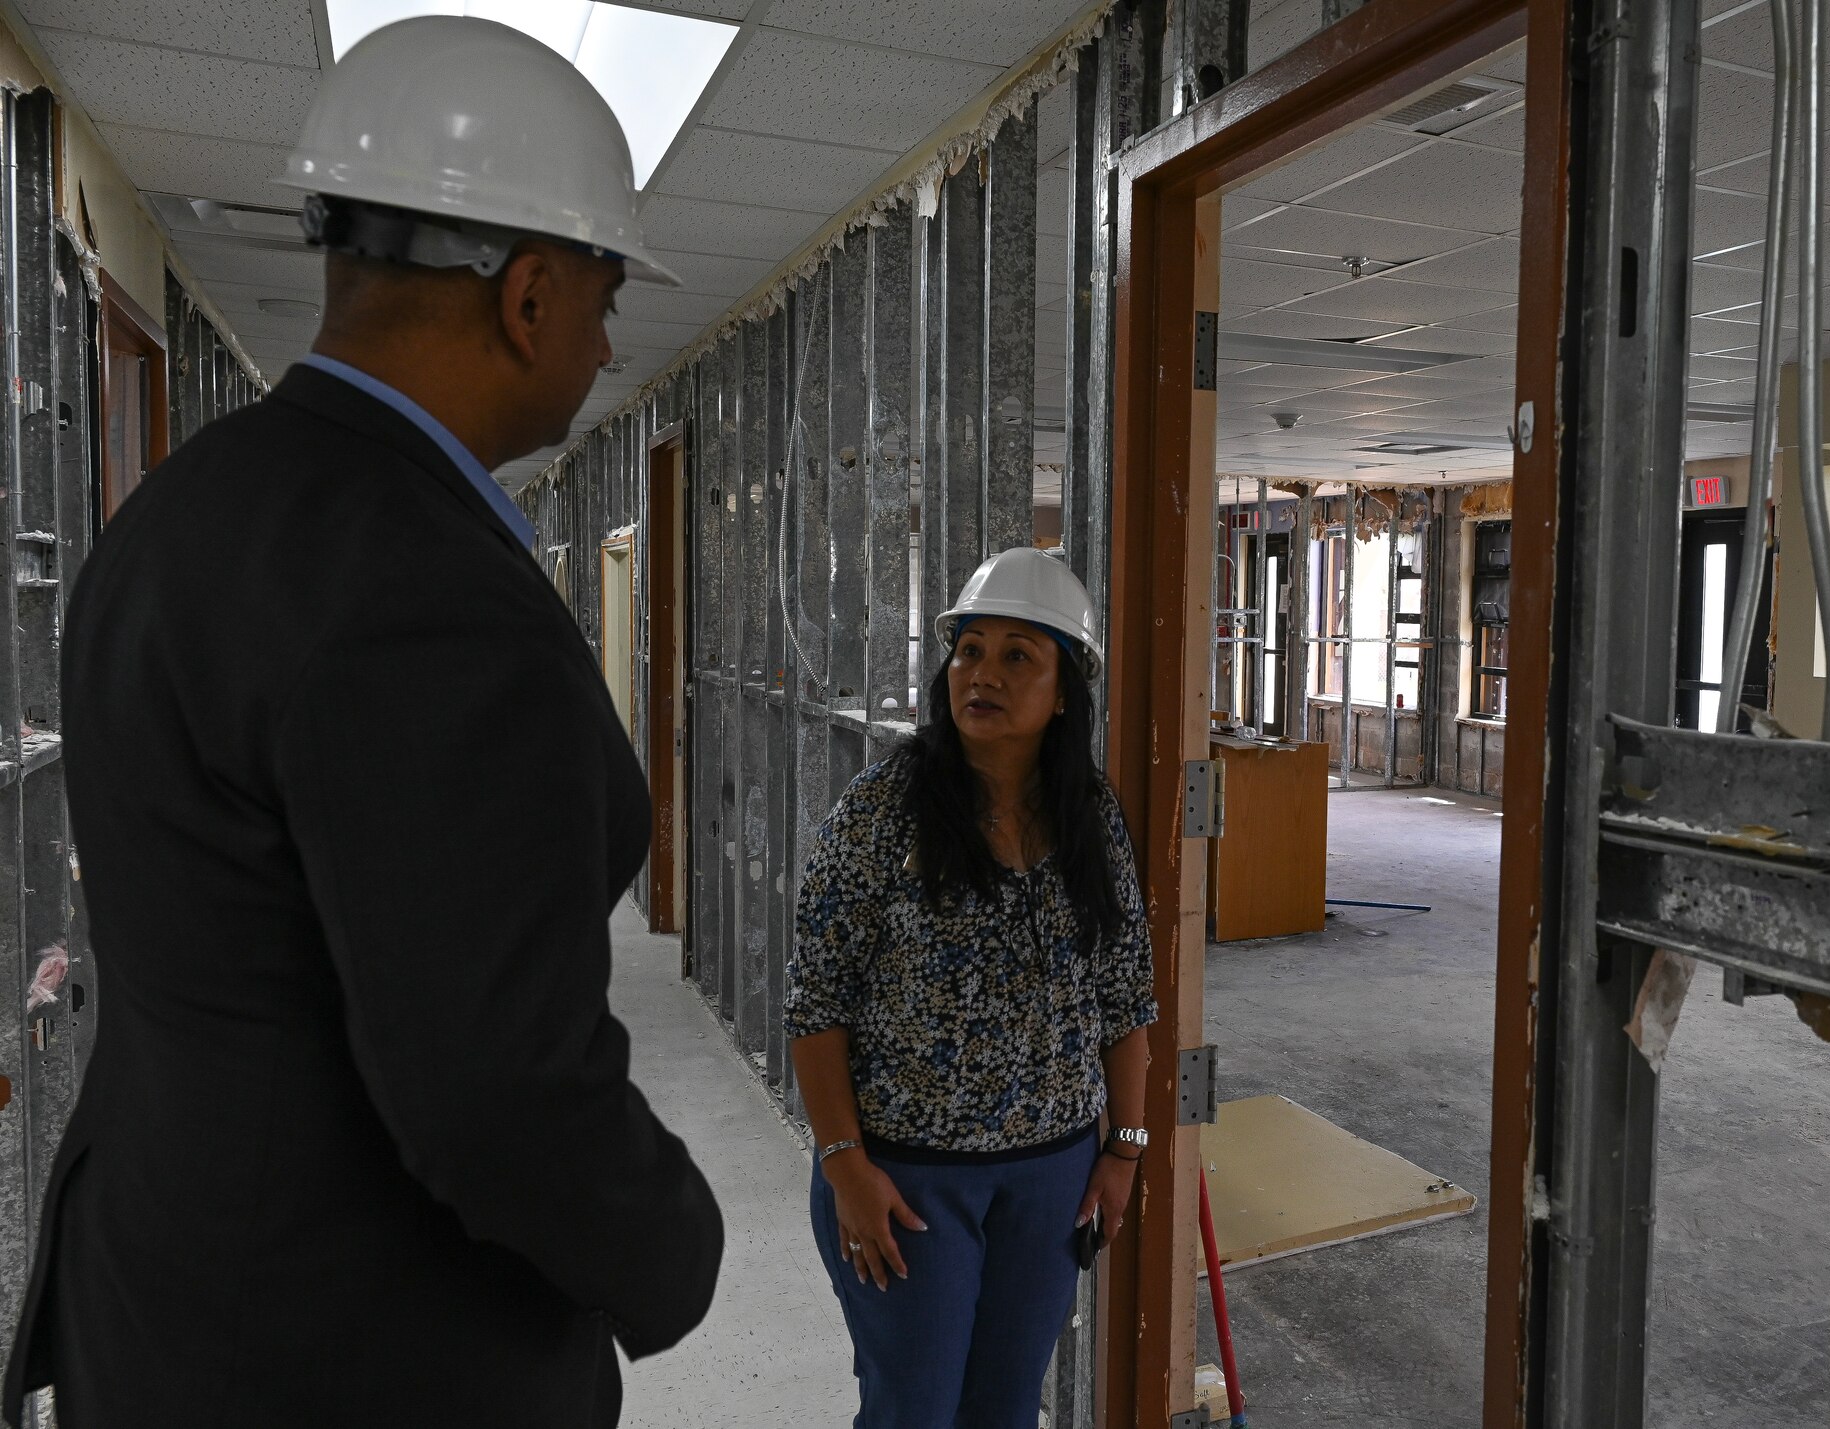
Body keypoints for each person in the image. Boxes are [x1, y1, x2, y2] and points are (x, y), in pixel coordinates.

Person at [3, 18, 722, 1429]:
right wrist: (672, 1249)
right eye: (603, 290)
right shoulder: (430, 592)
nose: (608, 333)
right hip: (353, 1348)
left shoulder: (176, 516)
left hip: (166, 1305)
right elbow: (492, 1085)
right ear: (527, 296)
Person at [784, 547, 1158, 1429]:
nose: (982, 673)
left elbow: (1126, 998)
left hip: (1051, 1181)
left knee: (1002, 1411)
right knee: (913, 1408)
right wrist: (845, 1167)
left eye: (1016, 655)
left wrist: (1125, 1148)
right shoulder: (882, 809)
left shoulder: (1091, 817)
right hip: (909, 1183)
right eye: (969, 650)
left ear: (1063, 689)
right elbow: (816, 1003)